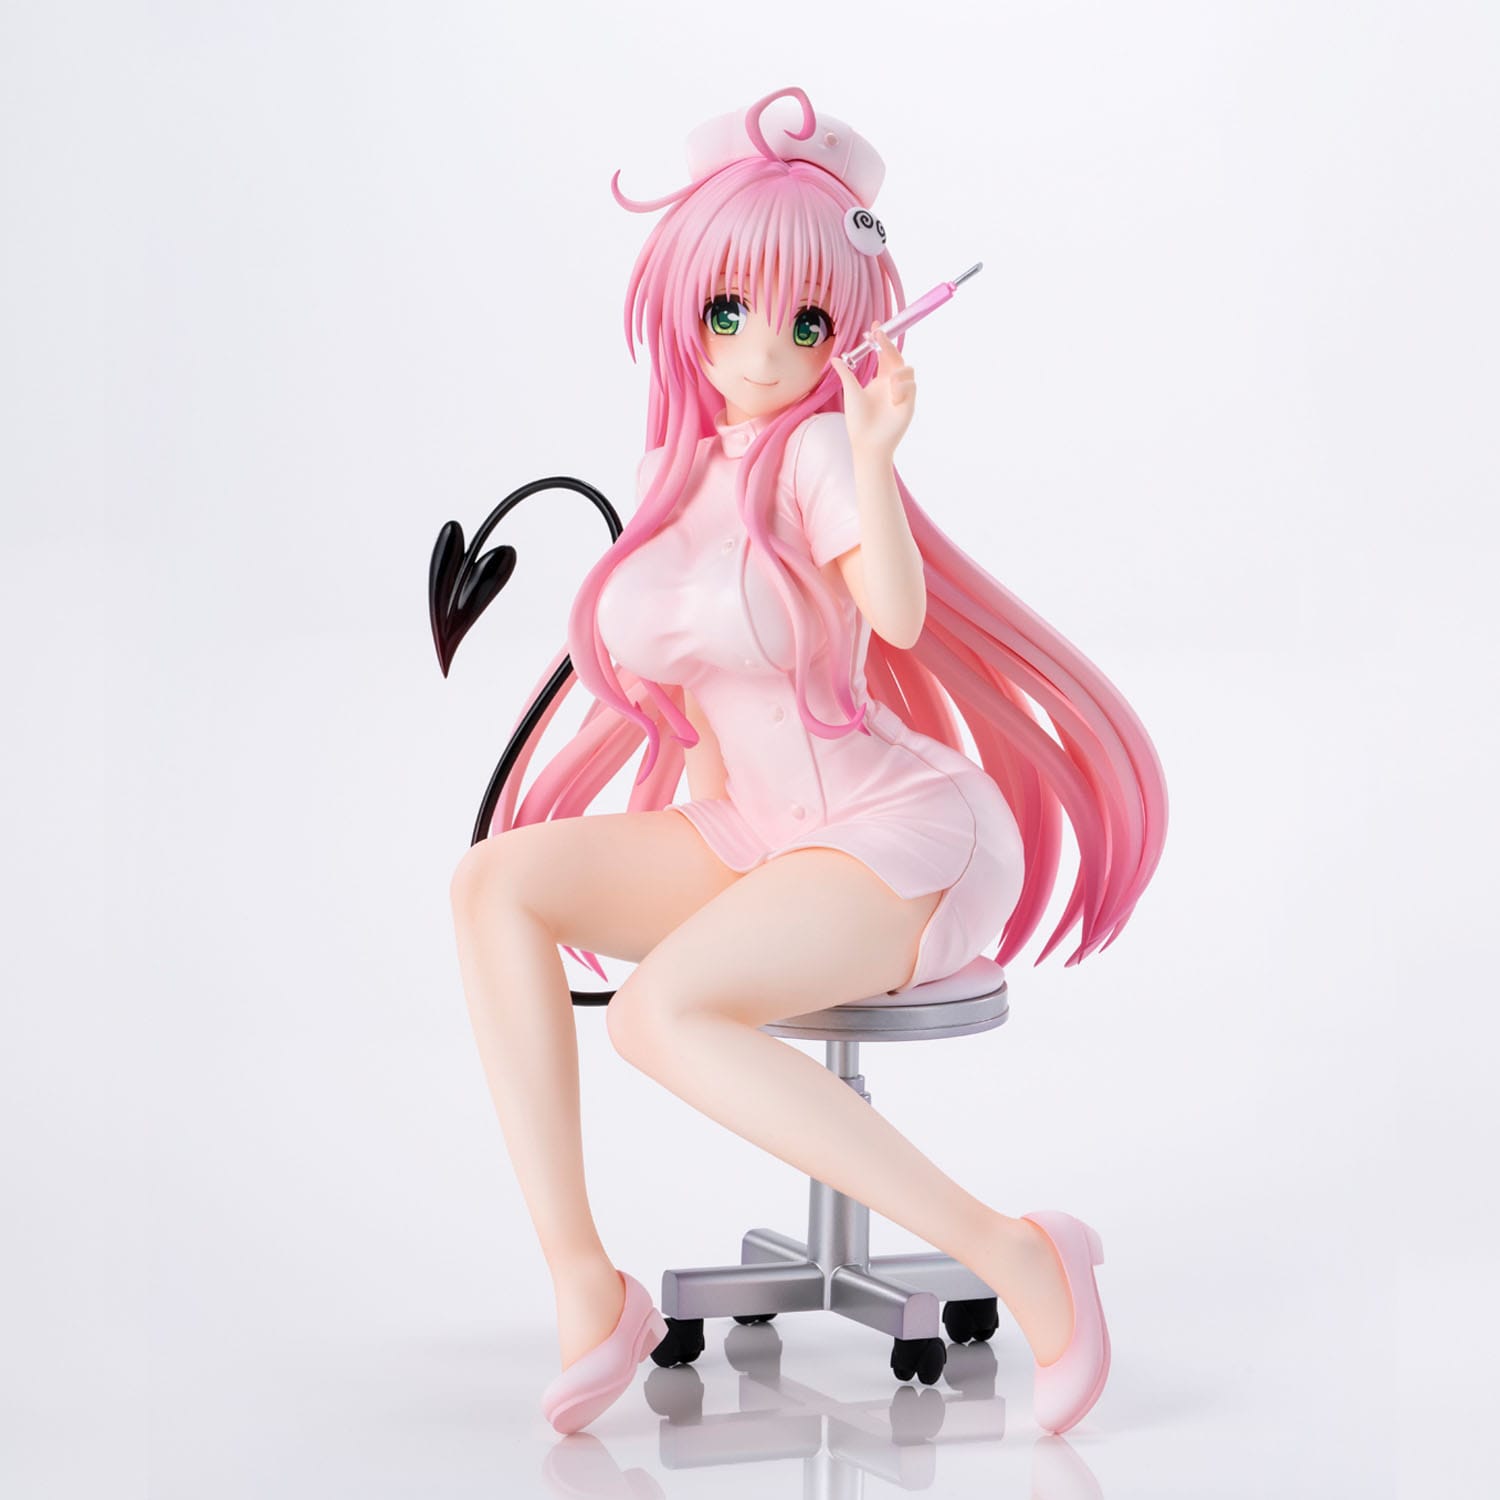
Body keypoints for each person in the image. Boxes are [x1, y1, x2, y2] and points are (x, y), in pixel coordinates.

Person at [448, 86, 1167, 1437]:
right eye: (730, 311)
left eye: (808, 322)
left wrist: (879, 457)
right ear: (683, 304)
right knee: (494, 884)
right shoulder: (672, 475)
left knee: (659, 1015)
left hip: (899, 829)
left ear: (848, 330)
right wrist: (688, 847)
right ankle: (585, 1286)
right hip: (762, 830)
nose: (765, 349)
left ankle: (1019, 1254)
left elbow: (894, 618)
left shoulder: (824, 451)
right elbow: (696, 707)